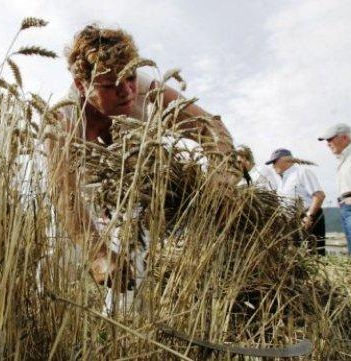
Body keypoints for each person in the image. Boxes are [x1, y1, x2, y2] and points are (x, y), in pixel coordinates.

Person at [47, 24, 236, 310]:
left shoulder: (147, 91)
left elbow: (212, 128)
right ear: (81, 86)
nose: (126, 92)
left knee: (129, 278)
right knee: (56, 274)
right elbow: (64, 195)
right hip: (73, 202)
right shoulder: (64, 119)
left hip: (127, 194)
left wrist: (220, 180)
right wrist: (97, 254)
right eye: (110, 86)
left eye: (131, 78)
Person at [318, 123, 351, 256]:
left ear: (344, 138)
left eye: (330, 139)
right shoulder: (344, 160)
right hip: (348, 208)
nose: (328, 143)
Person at [266, 148, 326, 254]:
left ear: (285, 160)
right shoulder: (281, 182)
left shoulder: (302, 172)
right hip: (292, 223)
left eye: (274, 162)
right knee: (299, 259)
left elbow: (319, 196)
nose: (273, 166)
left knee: (314, 255)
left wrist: (309, 216)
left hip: (309, 219)